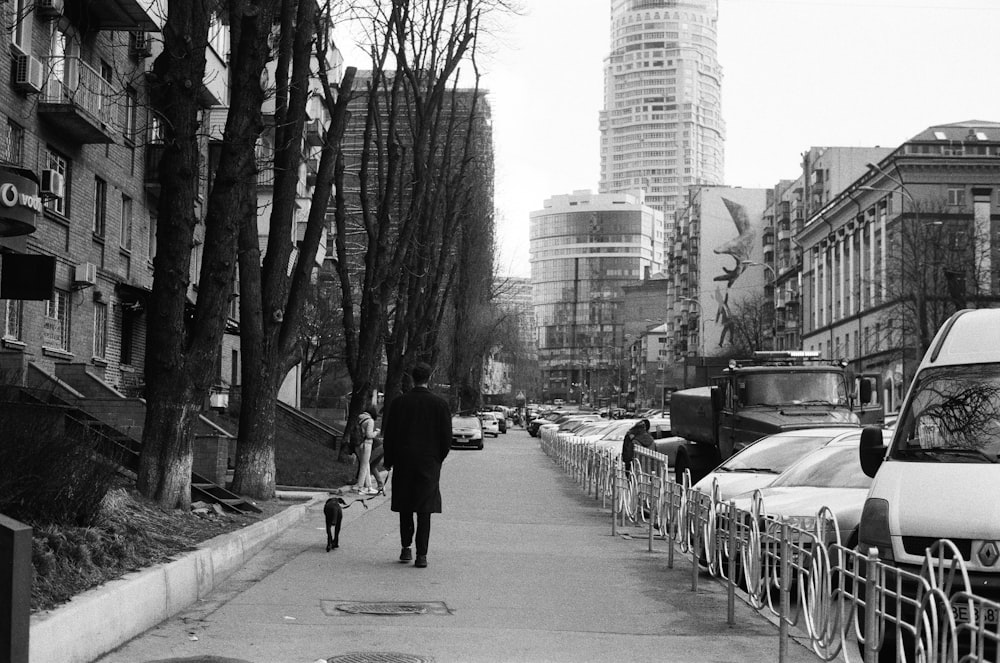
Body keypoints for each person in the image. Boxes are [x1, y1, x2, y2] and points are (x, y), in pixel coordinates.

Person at [382, 362, 452, 568]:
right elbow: (446, 438)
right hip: (428, 464)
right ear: (429, 378)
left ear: (412, 378)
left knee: (405, 507)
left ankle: (405, 549)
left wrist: (389, 461)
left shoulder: (399, 403)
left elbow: (390, 436)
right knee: (424, 510)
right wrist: (437, 458)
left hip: (404, 463)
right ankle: (422, 555)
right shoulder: (440, 404)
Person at [353, 406, 380, 495]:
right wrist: (376, 432)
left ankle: (369, 487)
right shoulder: (370, 421)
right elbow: (369, 435)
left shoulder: (360, 418)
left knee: (366, 465)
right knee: (364, 466)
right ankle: (360, 487)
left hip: (360, 444)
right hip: (367, 444)